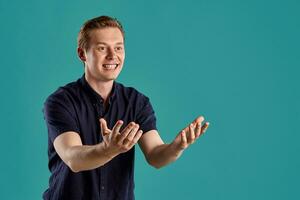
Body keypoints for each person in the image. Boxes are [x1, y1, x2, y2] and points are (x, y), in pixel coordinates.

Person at [43, 15, 210, 200]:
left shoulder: (136, 102)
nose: (112, 56)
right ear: (82, 54)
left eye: (118, 48)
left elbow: (155, 155)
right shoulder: (60, 101)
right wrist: (108, 149)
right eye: (102, 48)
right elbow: (73, 158)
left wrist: (176, 147)